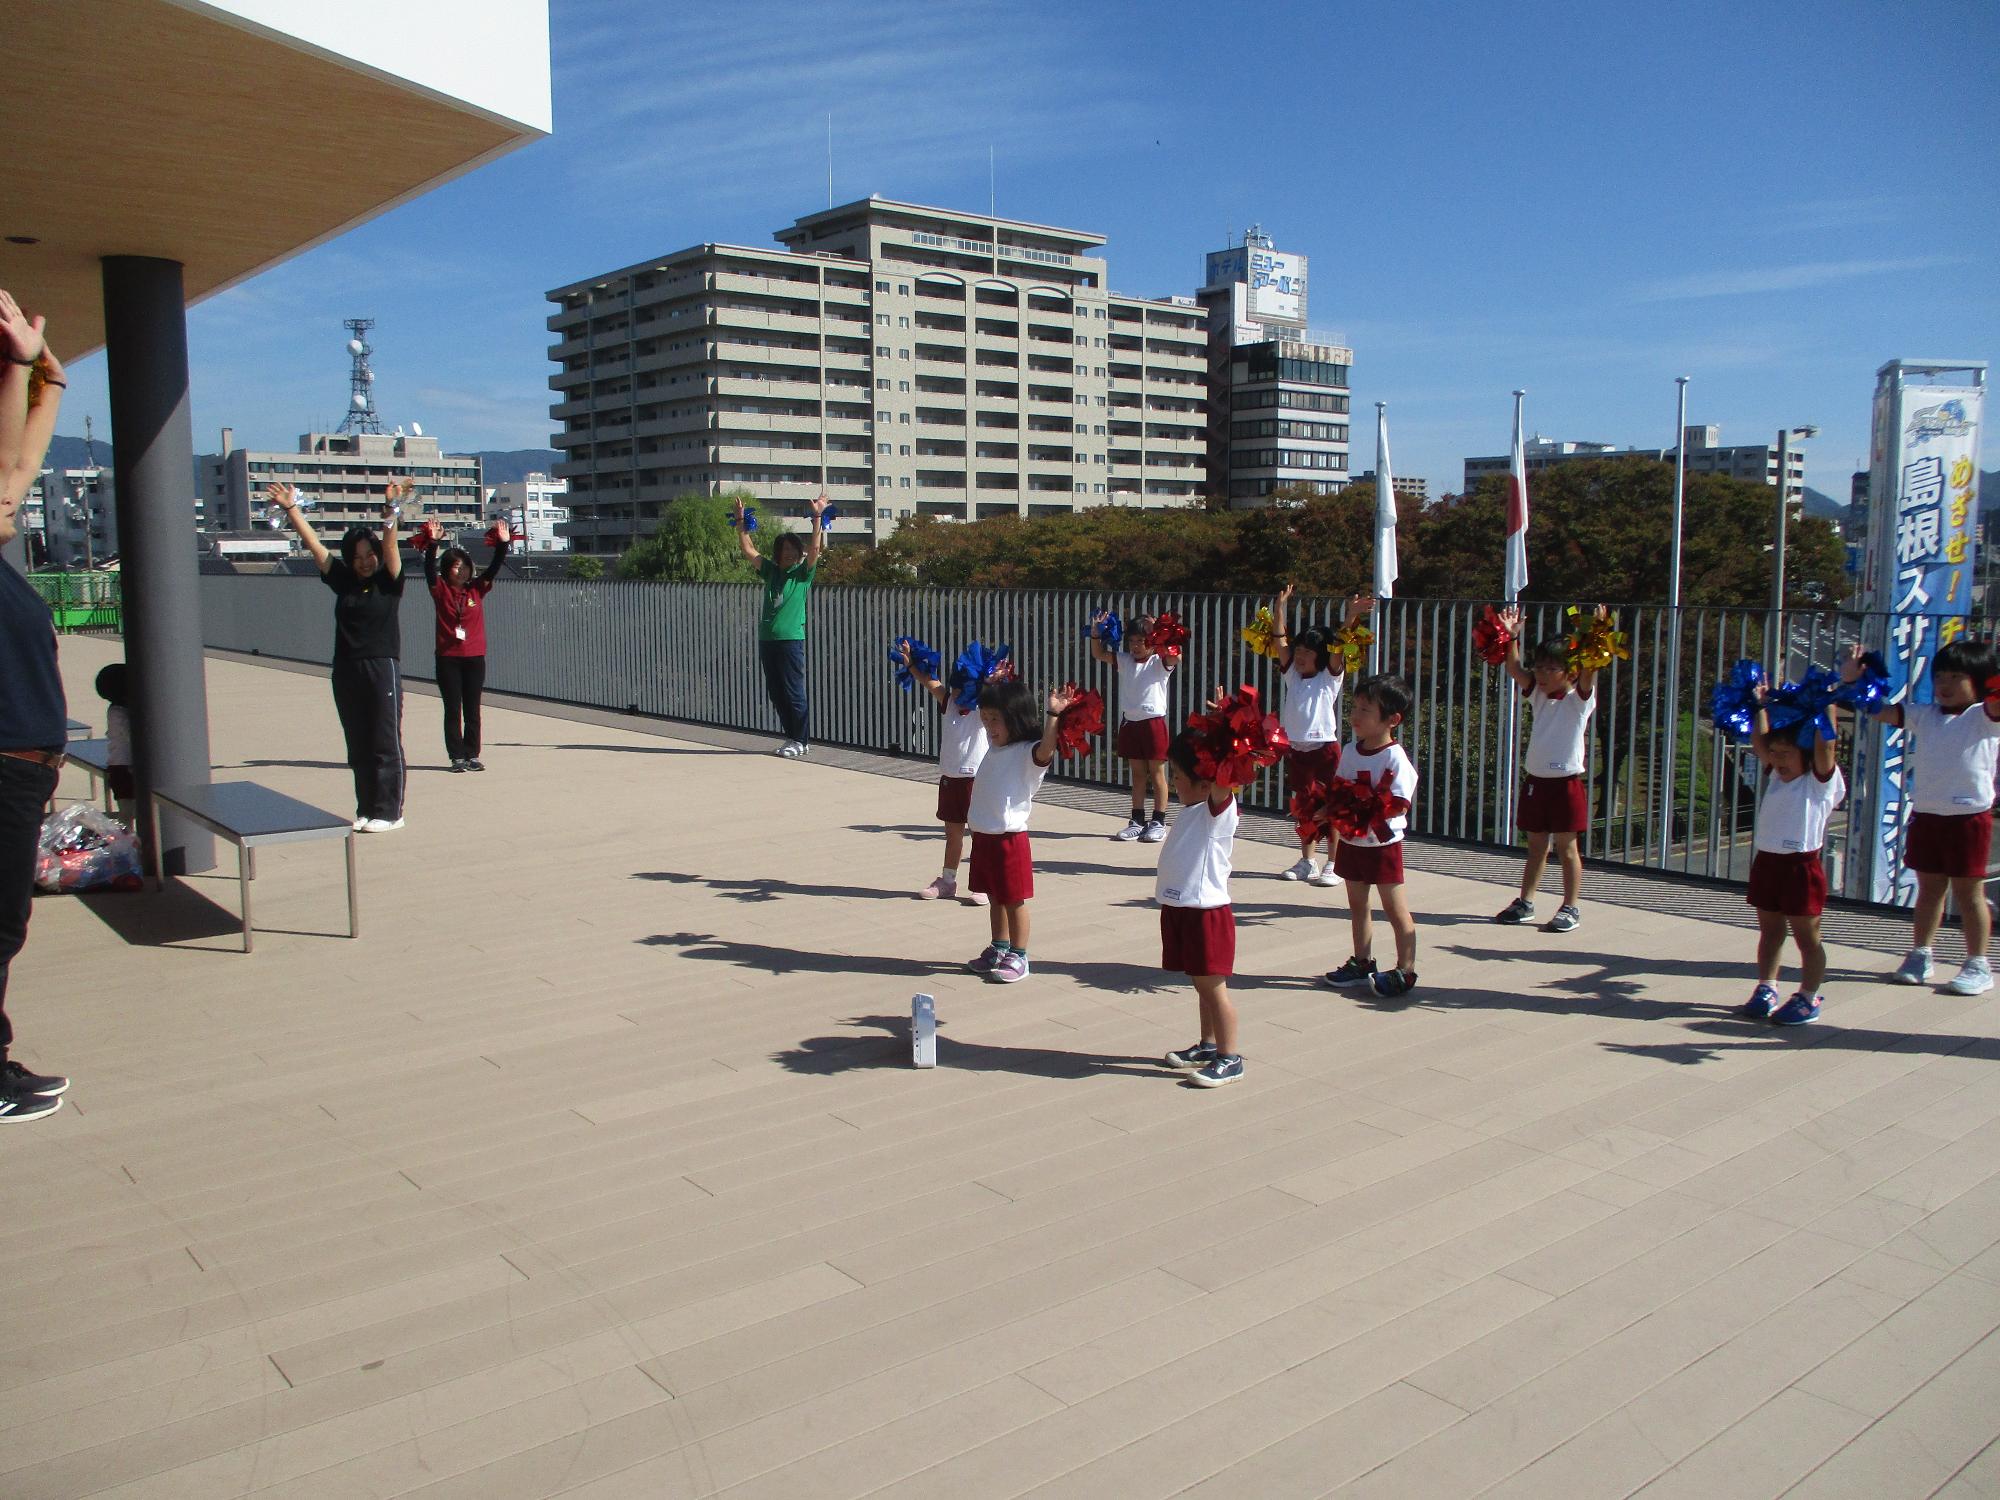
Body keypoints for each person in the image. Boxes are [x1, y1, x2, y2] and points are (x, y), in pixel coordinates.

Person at [0, 288, 72, 1122]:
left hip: (20, 772)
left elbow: (15, 472)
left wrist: (44, 386)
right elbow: (4, 468)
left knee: (1, 930)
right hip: (4, 769)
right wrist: (18, 371)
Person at [1843, 638, 2000, 995]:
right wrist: (1854, 679)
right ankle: (1921, 954)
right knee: (1929, 890)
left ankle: (1978, 963)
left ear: (1979, 680)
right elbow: (1877, 709)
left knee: (1968, 893)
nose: (1944, 684)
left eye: (1956, 676)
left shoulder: (1985, 716)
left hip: (1968, 818)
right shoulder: (1924, 714)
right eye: (1940, 676)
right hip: (1927, 814)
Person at [270, 479, 411, 832]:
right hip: (346, 669)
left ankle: (390, 812)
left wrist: (390, 513)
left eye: (370, 555)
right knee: (358, 742)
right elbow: (315, 546)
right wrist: (291, 510)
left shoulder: (389, 581)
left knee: (383, 740)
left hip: (381, 666)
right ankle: (367, 808)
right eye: (358, 557)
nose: (365, 562)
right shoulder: (344, 581)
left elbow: (391, 547)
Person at [1491, 604, 1607, 933]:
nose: (1540, 674)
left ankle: (1571, 906)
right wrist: (1511, 637)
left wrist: (1595, 634)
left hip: (1566, 783)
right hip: (1536, 782)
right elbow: (1515, 668)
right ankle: (1526, 901)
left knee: (1567, 847)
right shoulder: (1538, 696)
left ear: (1569, 672)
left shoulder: (1580, 699)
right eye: (1539, 667)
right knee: (1536, 845)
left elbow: (1589, 670)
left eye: (1549, 669)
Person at [1741, 686, 1844, 1026]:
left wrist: (1825, 704)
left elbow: (1826, 743)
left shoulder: (1819, 782)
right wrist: (1759, 707)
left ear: (1806, 755)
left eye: (1786, 754)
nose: (1778, 759)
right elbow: (1759, 741)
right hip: (1768, 862)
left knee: (1806, 937)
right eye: (1776, 753)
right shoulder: (1776, 776)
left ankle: (1809, 995)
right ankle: (1766, 987)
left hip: (1801, 865)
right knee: (1769, 931)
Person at [964, 677, 1071, 984]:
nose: (989, 727)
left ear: (1015, 716)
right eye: (985, 720)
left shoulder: (1027, 752)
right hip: (984, 837)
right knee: (995, 897)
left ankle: (1020, 955)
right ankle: (999, 948)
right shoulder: (994, 748)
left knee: (1013, 900)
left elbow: (1046, 749)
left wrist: (1053, 715)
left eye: (995, 720)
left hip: (1010, 840)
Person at [1321, 674, 1421, 998]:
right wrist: (1329, 811)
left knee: (1394, 908)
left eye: (1366, 710)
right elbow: (1339, 789)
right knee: (1357, 904)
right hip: (1352, 841)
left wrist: (1365, 808)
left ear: (1392, 719)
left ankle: (1406, 969)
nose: (1355, 715)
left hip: (1382, 844)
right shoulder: (1350, 750)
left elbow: (1399, 803)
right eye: (1355, 707)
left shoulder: (1395, 757)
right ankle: (1362, 962)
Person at [1158, 722, 1245, 1087]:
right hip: (1182, 909)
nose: (1172, 782)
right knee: (1200, 984)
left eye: (1177, 776)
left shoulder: (1217, 810)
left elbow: (1224, 776)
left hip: (1206, 912)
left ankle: (1230, 1058)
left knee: (1213, 987)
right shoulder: (1193, 808)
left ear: (1206, 783)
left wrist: (1226, 733)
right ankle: (1209, 1045)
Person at [1272, 585, 1371, 884]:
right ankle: (1307, 861)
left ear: (1321, 655)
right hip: (1298, 750)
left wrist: (1350, 617)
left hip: (1324, 749)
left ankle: (1334, 863)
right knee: (1304, 807)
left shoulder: (1329, 677)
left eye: (1308, 651)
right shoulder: (1292, 674)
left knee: (1332, 806)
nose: (1300, 655)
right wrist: (1279, 608)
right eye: (1299, 649)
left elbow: (1339, 646)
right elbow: (1279, 640)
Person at [737, 495, 828, 758]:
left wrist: (817, 517)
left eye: (792, 549)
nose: (788, 553)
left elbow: (815, 550)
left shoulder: (802, 574)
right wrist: (741, 521)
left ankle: (801, 739)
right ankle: (793, 738)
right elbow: (749, 550)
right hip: (767, 639)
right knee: (776, 692)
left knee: (793, 690)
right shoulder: (771, 571)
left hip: (790, 639)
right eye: (783, 549)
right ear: (778, 553)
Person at [897, 641, 988, 904]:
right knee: (953, 835)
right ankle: (948, 881)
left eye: (965, 687)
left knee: (980, 835)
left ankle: (982, 884)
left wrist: (992, 679)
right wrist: (911, 663)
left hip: (975, 780)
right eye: (956, 686)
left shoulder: (981, 712)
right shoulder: (948, 702)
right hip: (950, 779)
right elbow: (929, 681)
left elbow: (994, 695)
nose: (958, 691)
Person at [423, 521, 510, 771]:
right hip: (448, 657)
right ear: (448, 570)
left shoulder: (476, 590)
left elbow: (493, 569)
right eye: (456, 567)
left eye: (465, 567)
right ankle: (456, 756)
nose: (461, 572)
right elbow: (429, 569)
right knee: (453, 708)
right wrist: (433, 543)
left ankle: (472, 754)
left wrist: (503, 544)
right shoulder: (440, 591)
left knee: (473, 709)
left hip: (474, 656)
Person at [1090, 610, 1175, 842]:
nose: (1136, 646)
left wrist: (1162, 631)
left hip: (1153, 723)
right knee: (1137, 775)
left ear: (1151, 640)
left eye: (1141, 640)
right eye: (1132, 641)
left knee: (1157, 774)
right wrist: (1096, 633)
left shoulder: (1160, 661)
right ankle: (1137, 820)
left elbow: (1176, 655)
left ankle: (1158, 821)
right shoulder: (1125, 660)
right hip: (1131, 722)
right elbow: (1098, 653)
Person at [94, 662, 135, 811]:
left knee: (128, 813)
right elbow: (131, 736)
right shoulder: (118, 712)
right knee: (128, 813)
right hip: (123, 769)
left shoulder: (117, 710)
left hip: (121, 768)